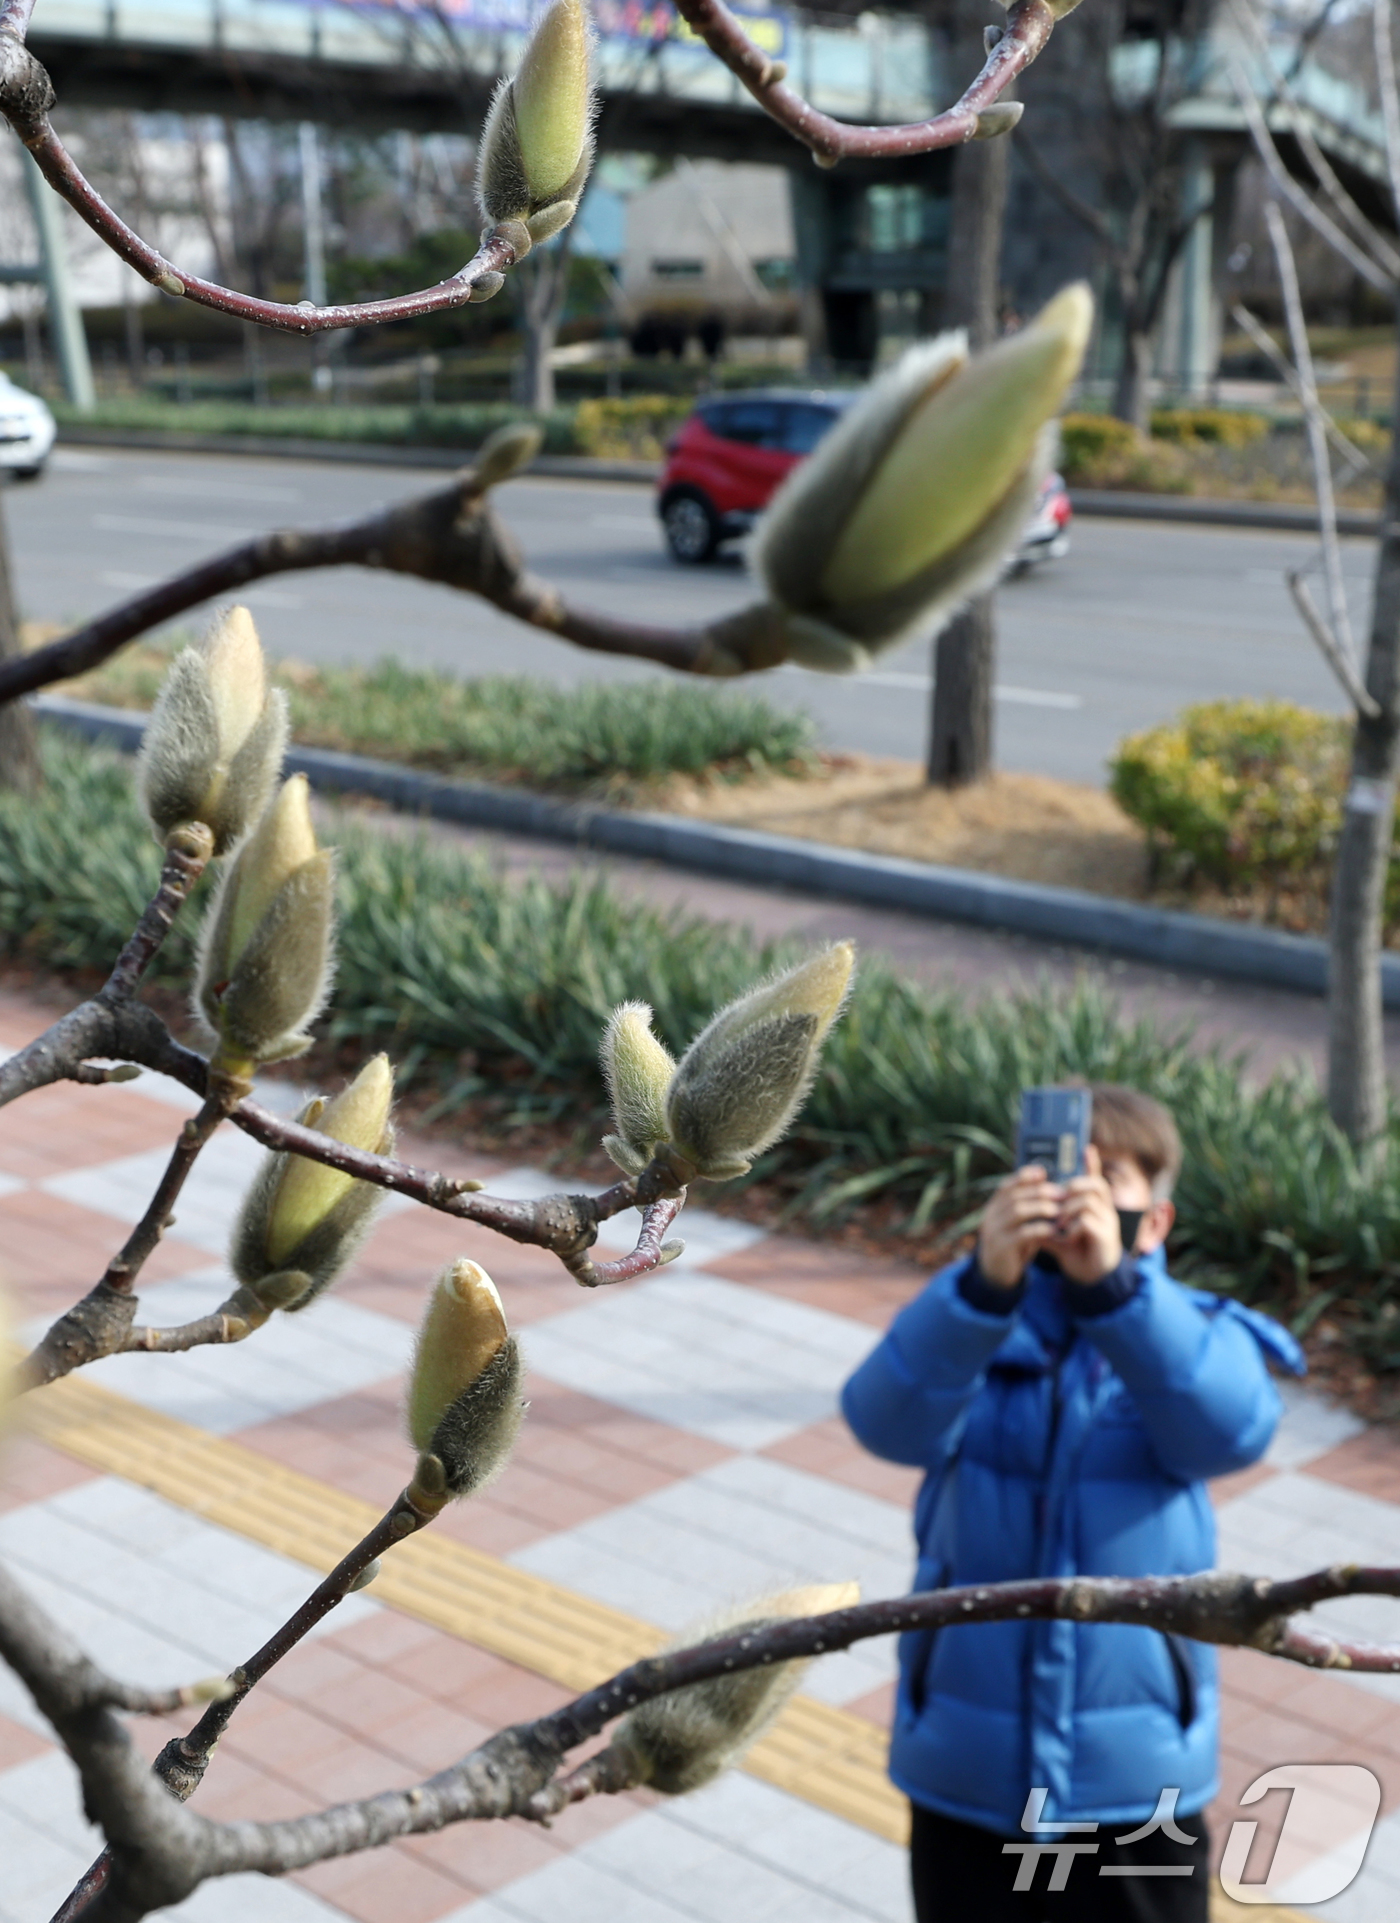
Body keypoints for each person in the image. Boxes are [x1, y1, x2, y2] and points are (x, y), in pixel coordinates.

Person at [841, 1084, 1305, 1923]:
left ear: (1155, 1221)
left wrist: (1115, 1297)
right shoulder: (972, 1320)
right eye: (1055, 1171)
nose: (1073, 1193)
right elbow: (884, 1420)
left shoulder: (1188, 1331)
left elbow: (1228, 1431)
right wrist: (982, 1288)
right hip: (971, 1771)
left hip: (1131, 1787)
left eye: (1108, 1176)